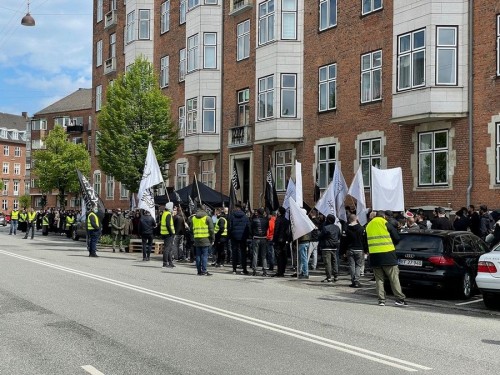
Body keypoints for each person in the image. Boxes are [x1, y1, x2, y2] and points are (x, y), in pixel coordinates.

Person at [366, 211, 407, 307]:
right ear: (384, 216)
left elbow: (365, 242)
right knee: (394, 278)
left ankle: (381, 300)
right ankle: (399, 299)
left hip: (374, 255)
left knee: (379, 279)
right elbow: (396, 237)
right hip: (388, 254)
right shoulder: (385, 223)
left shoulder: (368, 226)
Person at [189, 205, 215, 276]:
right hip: (206, 239)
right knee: (204, 256)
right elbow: (211, 230)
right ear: (205, 210)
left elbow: (191, 229)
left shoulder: (194, 218)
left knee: (198, 255)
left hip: (197, 238)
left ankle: (199, 271)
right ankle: (204, 270)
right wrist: (213, 239)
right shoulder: (207, 218)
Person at [345, 214, 367, 287]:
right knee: (358, 265)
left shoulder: (346, 229)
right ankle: (356, 281)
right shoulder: (361, 229)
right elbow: (365, 240)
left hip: (350, 249)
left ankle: (353, 280)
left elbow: (344, 241)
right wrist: (366, 250)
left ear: (349, 220)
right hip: (359, 249)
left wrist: (342, 251)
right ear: (356, 219)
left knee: (352, 265)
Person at [228, 203, 251, 275]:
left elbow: (230, 227)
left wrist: (230, 235)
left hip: (234, 236)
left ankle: (234, 269)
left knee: (234, 253)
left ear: (236, 207)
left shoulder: (232, 216)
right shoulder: (245, 216)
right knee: (243, 253)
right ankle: (244, 269)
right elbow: (248, 227)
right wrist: (247, 236)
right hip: (243, 237)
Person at [318, 214, 341, 283]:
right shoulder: (337, 228)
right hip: (334, 247)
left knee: (327, 263)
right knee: (334, 262)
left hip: (326, 247)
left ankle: (329, 277)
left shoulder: (325, 228)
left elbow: (320, 236)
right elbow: (339, 236)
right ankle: (336, 276)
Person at [251, 208, 269, 277]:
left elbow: (251, 228)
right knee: (264, 255)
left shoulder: (254, 220)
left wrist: (253, 235)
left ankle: (254, 270)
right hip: (264, 238)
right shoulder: (266, 220)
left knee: (255, 254)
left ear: (257, 213)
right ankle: (264, 270)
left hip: (256, 237)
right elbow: (267, 228)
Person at [272, 207, 290, 277]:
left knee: (279, 256)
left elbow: (276, 230)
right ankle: (282, 270)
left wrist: (274, 240)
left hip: (279, 240)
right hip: (284, 240)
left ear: (279, 212)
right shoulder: (286, 220)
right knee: (283, 256)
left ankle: (280, 271)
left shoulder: (278, 220)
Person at [297, 209, 312, 279]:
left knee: (303, 258)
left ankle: (305, 273)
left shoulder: (303, 221)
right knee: (303, 258)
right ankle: (302, 271)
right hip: (306, 241)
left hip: (303, 241)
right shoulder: (307, 220)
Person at [160, 202, 176, 267]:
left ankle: (170, 262)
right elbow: (168, 224)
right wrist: (171, 232)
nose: (173, 208)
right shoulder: (168, 214)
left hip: (165, 233)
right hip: (168, 234)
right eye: (173, 207)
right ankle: (165, 262)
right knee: (167, 248)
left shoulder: (164, 213)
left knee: (169, 248)